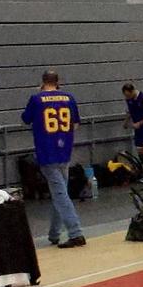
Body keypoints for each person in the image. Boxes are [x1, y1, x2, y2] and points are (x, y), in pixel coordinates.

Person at [23, 70, 85, 248]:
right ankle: (54, 233)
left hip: (47, 153)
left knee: (60, 195)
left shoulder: (36, 99)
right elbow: (76, 124)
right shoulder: (69, 98)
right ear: (58, 82)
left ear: (43, 82)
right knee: (61, 193)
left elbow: (26, 119)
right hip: (64, 151)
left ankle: (75, 232)